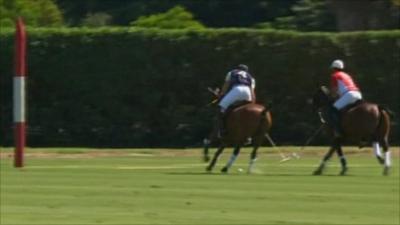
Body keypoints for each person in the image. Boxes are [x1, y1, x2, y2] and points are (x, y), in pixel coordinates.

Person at [216, 64, 256, 136]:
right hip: (248, 93)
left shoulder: (232, 72)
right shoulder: (251, 77)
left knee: (221, 108)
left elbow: (226, 85)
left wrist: (221, 95)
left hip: (237, 90)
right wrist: (253, 103)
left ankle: (222, 130)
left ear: (237, 69)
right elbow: (252, 91)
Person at [328, 59, 363, 137]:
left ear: (333, 68)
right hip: (358, 94)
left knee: (332, 109)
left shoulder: (335, 75)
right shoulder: (347, 75)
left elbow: (334, 90)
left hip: (349, 95)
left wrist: (332, 97)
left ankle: (338, 131)